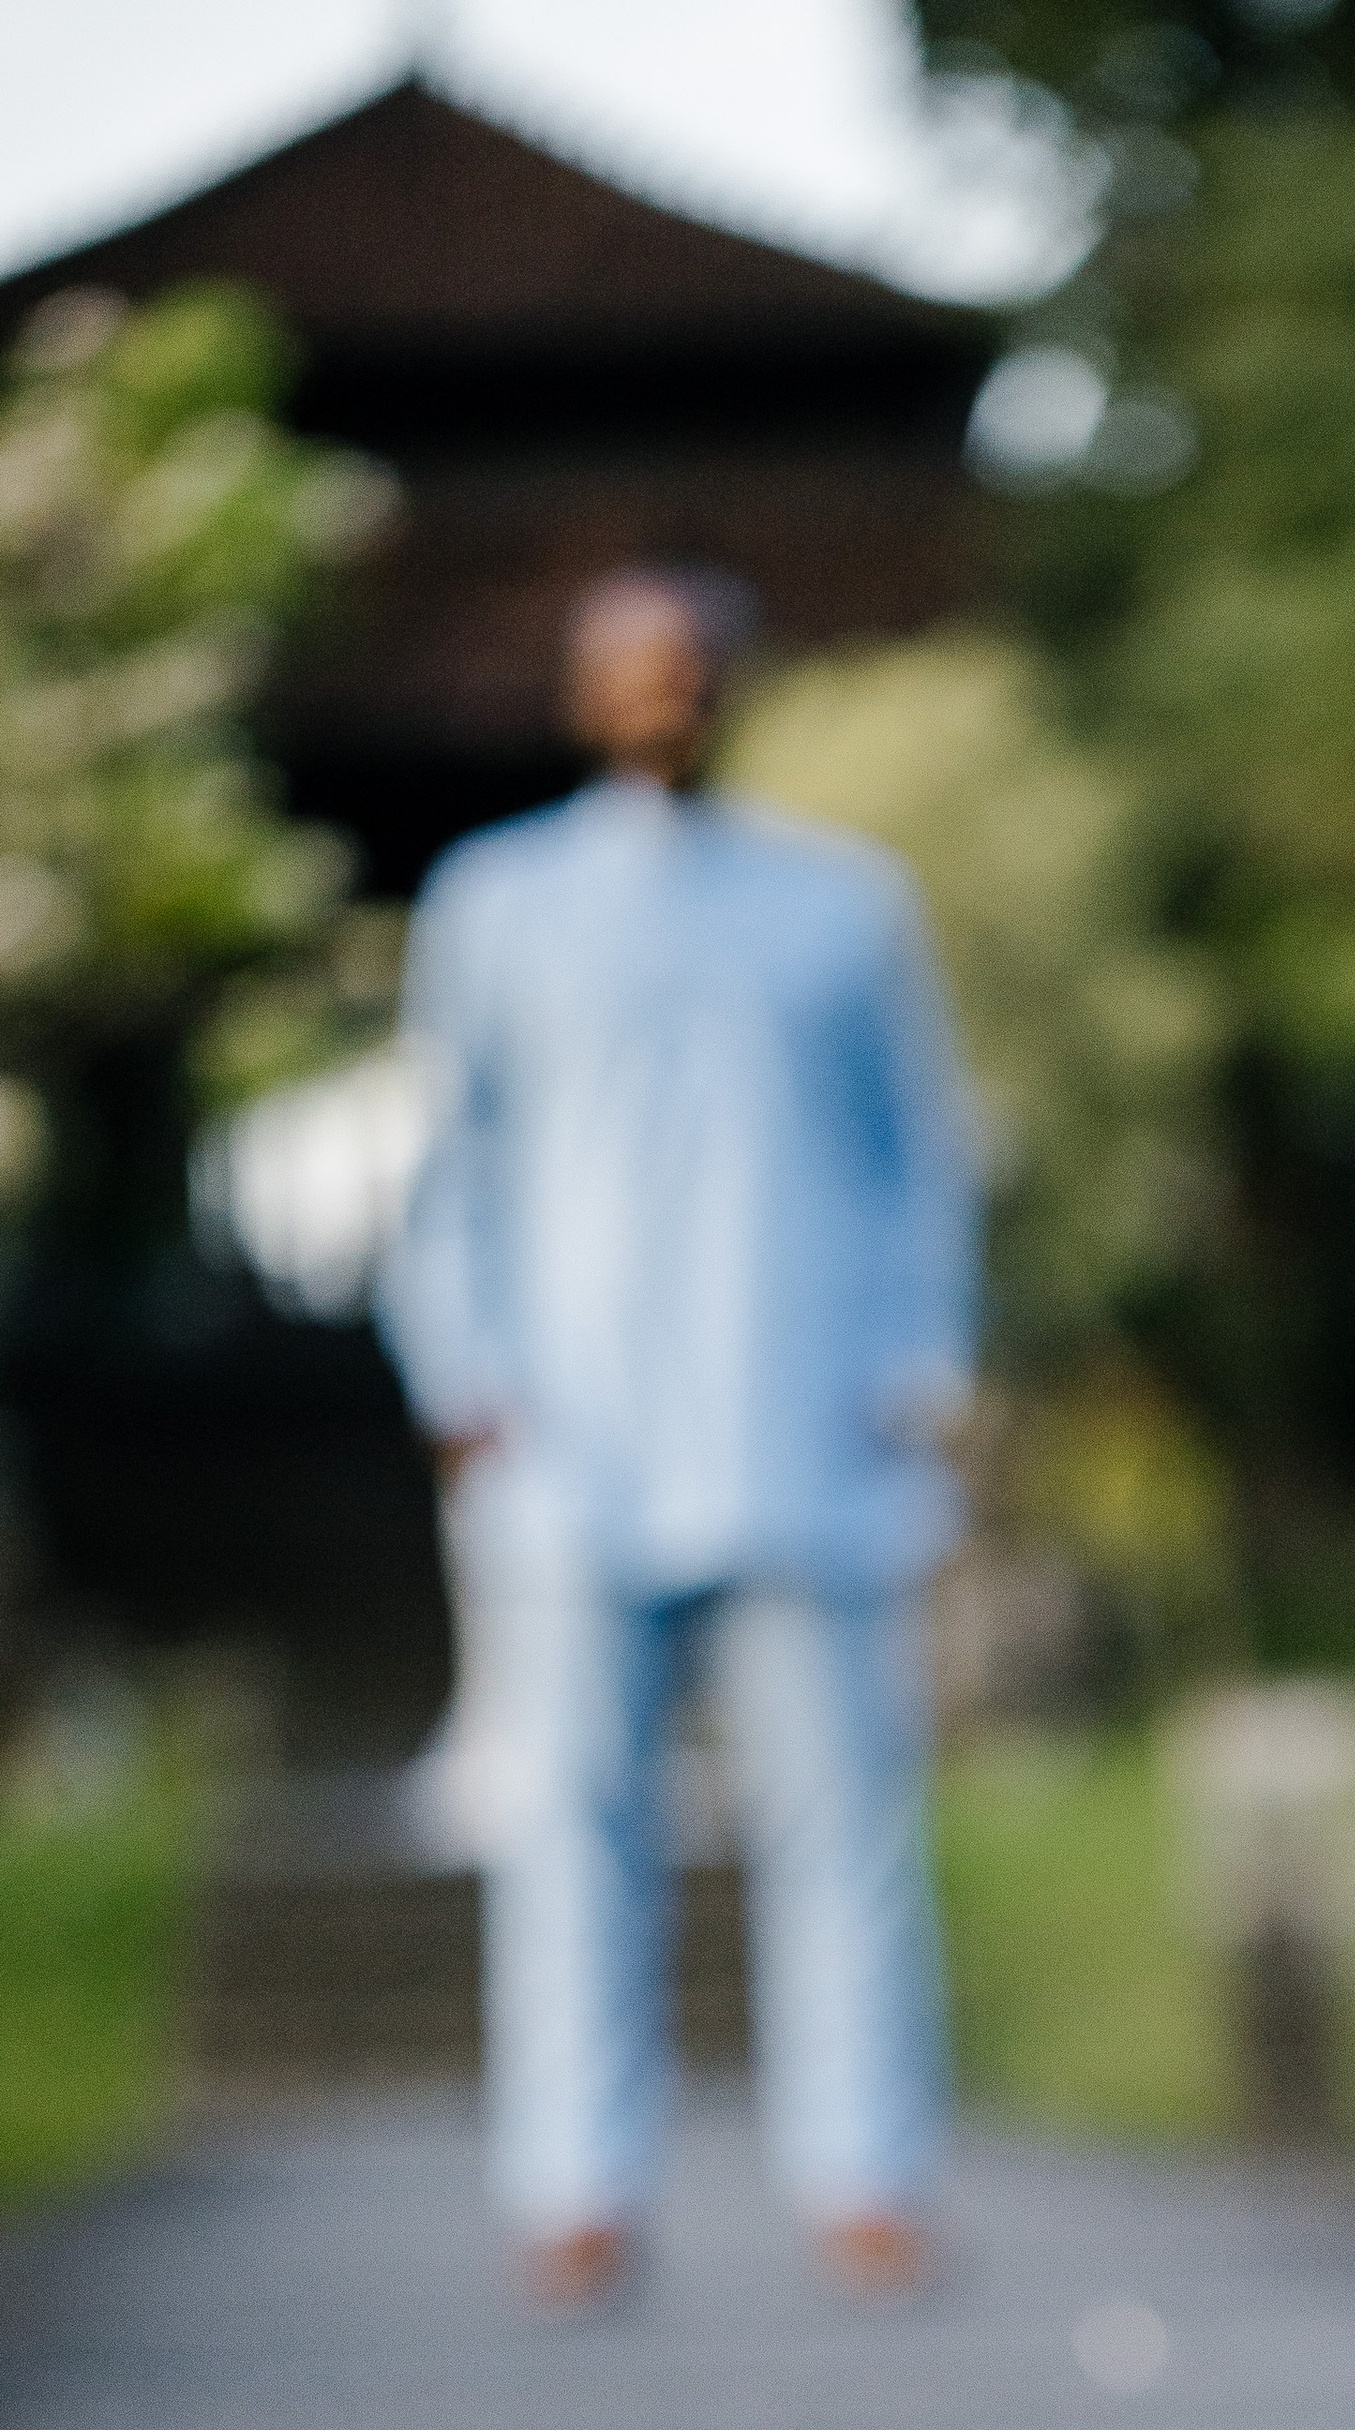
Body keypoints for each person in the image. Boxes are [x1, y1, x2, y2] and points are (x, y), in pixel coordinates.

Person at [380, 568, 977, 2307]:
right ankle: (576, 2185)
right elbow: (454, 1166)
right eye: (630, 673)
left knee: (845, 1817)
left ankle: (866, 2172)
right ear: (580, 695)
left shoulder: (846, 906)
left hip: (807, 1433)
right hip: (568, 1445)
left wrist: (919, 1370)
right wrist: (465, 1394)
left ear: (734, 689)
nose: (665, 698)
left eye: (693, 669)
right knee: (569, 1821)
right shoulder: (495, 902)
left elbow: (918, 1156)